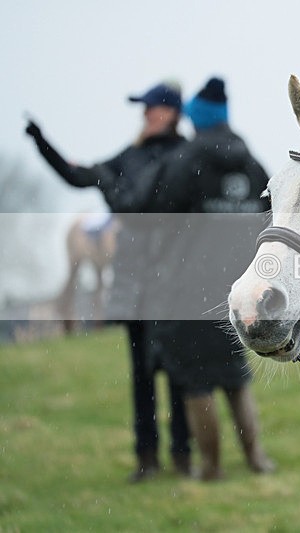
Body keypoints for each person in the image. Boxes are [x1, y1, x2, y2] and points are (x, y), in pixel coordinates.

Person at [24, 81, 192, 482]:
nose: (144, 115)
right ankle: (147, 458)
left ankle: (184, 457)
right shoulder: (130, 156)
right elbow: (79, 176)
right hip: (134, 282)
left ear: (169, 112)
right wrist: (41, 142)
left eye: (150, 108)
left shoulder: (188, 157)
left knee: (181, 374)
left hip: (175, 283)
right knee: (142, 376)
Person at [134, 77, 274, 480]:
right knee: (235, 376)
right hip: (238, 287)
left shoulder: (186, 159)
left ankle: (210, 467)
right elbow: (269, 216)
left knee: (198, 384)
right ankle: (257, 459)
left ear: (197, 119)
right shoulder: (250, 161)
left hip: (188, 288)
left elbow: (152, 211)